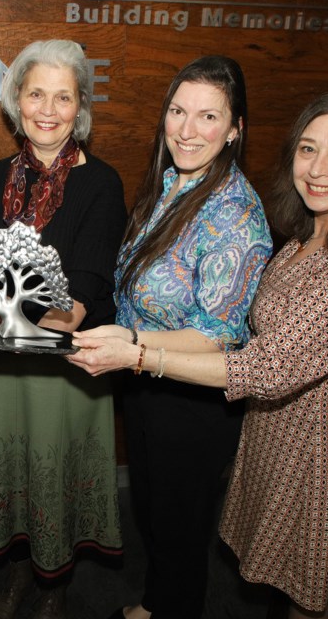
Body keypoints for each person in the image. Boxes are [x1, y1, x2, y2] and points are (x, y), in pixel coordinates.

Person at [70, 89, 328, 619]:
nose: (318, 168)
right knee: (278, 567)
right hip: (276, 422)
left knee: (308, 584)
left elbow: (269, 364)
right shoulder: (306, 234)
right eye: (307, 149)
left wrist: (140, 355)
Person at [71, 55, 274, 619]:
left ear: (235, 129)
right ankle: (157, 603)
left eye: (208, 116)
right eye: (178, 111)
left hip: (193, 400)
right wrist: (125, 337)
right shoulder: (175, 184)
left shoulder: (235, 214)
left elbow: (218, 337)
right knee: (156, 514)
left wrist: (133, 348)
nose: (187, 130)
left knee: (181, 527)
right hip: (146, 381)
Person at [0, 39, 127, 619]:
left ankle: (55, 583)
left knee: (54, 472)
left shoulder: (100, 183)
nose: (48, 109)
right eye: (36, 93)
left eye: (64, 97)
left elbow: (80, 297)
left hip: (66, 368)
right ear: (15, 101)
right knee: (11, 473)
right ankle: (21, 570)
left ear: (82, 107)